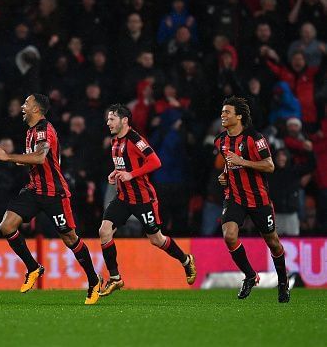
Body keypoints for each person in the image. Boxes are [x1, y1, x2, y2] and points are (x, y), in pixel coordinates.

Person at [0, 94, 103, 305]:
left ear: (37, 109)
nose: (22, 106)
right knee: (6, 226)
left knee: (70, 239)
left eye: (26, 104)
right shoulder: (31, 131)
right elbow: (40, 159)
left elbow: (40, 157)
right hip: (34, 189)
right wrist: (21, 160)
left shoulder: (44, 130)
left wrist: (9, 157)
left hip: (54, 193)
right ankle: (33, 267)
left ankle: (94, 281)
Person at [98, 104, 197, 297]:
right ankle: (115, 278)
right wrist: (116, 173)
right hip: (123, 197)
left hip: (143, 199)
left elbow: (155, 162)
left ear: (124, 120)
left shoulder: (136, 139)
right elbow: (124, 166)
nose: (108, 122)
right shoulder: (114, 141)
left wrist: (131, 174)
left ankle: (186, 260)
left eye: (112, 119)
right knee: (104, 230)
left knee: (156, 239)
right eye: (108, 119)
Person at [215, 96, 289, 302]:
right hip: (234, 197)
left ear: (239, 116)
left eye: (227, 112)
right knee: (229, 236)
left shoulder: (255, 139)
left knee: (273, 242)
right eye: (222, 112)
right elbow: (229, 163)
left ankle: (283, 282)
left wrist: (243, 161)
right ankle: (250, 275)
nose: (223, 115)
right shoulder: (220, 140)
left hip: (258, 199)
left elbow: (270, 165)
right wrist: (225, 174)